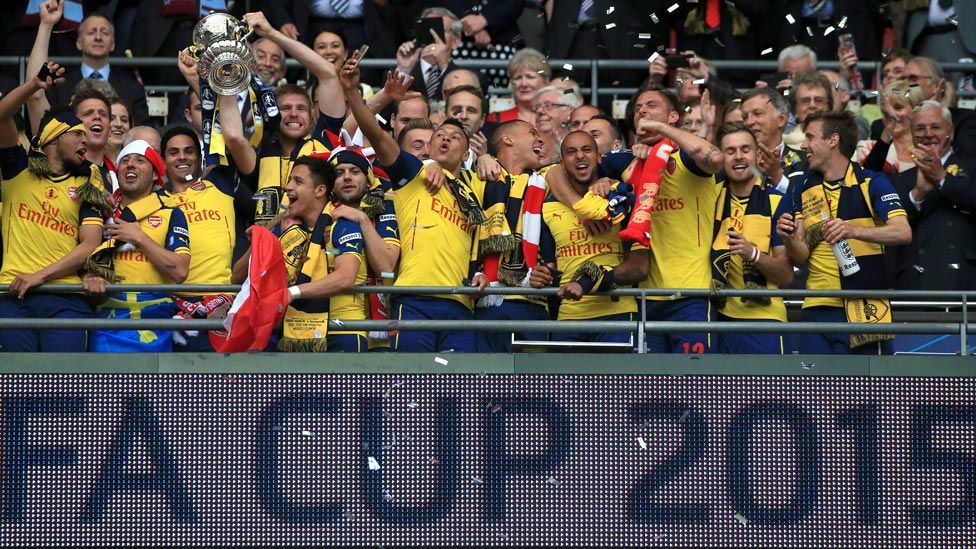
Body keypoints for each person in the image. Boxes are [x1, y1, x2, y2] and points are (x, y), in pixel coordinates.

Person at [548, 86, 725, 354]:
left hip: (689, 296)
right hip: (642, 297)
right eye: (639, 107)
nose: (642, 110)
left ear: (673, 117)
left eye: (652, 105)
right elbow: (555, 174)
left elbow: (714, 157)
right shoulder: (625, 162)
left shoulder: (688, 160)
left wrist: (660, 131)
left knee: (694, 388)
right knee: (649, 390)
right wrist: (582, 207)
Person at [340, 56, 489, 353]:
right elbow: (376, 134)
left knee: (458, 396)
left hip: (460, 302)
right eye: (440, 136)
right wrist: (353, 93)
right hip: (414, 299)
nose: (446, 139)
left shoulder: (478, 187)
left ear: (466, 153)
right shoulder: (414, 173)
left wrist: (486, 272)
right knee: (411, 391)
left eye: (455, 137)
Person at [776, 112, 911, 355]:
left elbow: (903, 232)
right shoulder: (803, 188)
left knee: (865, 392)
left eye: (810, 137)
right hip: (816, 308)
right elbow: (801, 255)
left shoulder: (871, 181)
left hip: (863, 307)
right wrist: (788, 239)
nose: (804, 145)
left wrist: (853, 230)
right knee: (815, 393)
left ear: (833, 140)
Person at [0, 68, 106, 352]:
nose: (86, 140)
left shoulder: (88, 180)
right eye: (78, 134)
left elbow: (90, 244)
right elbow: (2, 115)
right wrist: (33, 85)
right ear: (54, 137)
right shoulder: (17, 169)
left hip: (65, 298)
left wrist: (41, 276)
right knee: (16, 390)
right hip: (12, 295)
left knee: (63, 391)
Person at [233, 156, 363, 352]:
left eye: (298, 181)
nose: (288, 187)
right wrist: (262, 238)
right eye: (289, 180)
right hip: (289, 333)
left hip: (341, 330)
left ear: (320, 191)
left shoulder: (341, 225)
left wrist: (292, 293)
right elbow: (237, 276)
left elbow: (345, 278)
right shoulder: (285, 228)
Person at [530, 131, 647, 345]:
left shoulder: (620, 198)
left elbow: (639, 268)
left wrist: (590, 281)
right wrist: (539, 276)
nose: (580, 156)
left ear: (599, 157)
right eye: (571, 152)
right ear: (562, 164)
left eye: (587, 150)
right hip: (568, 319)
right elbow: (549, 267)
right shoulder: (547, 208)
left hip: (618, 315)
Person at [83, 139, 191, 352]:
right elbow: (81, 252)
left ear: (154, 174)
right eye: (124, 161)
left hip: (153, 323)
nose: (130, 165)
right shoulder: (101, 212)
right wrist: (89, 276)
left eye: (140, 161)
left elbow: (180, 271)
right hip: (106, 322)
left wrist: (140, 238)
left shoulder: (171, 214)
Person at [239, 11, 346, 196]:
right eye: (285, 108)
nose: (294, 113)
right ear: (272, 114)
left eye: (301, 108)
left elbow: (328, 73)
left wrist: (271, 33)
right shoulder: (261, 149)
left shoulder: (323, 140)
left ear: (313, 117)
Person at [711, 123, 794, 354]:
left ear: (758, 155)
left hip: (765, 319)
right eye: (730, 151)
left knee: (768, 392)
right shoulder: (710, 199)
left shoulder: (778, 201)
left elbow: (786, 276)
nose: (739, 157)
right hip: (717, 317)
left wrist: (754, 254)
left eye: (746, 149)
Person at [159, 122, 239, 353]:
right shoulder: (154, 202)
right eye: (174, 152)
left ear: (199, 157)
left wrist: (212, 86)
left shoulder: (218, 185)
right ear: (163, 161)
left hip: (222, 302)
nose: (182, 157)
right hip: (177, 308)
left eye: (189, 151)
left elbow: (228, 133)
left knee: (224, 383)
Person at [473, 119, 551, 352]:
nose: (540, 139)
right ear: (508, 139)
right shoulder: (476, 179)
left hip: (532, 298)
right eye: (531, 133)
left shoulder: (548, 180)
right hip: (486, 297)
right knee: (487, 382)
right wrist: (482, 158)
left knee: (534, 385)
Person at [888, 101, 976, 291]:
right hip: (914, 285)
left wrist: (942, 178)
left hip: (964, 281)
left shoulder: (972, 169)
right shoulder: (899, 180)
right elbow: (891, 224)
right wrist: (918, 194)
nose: (928, 134)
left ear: (950, 132)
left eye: (935, 127)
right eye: (920, 128)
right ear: (912, 135)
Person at [326, 148, 402, 352]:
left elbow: (386, 267)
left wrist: (361, 218)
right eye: (339, 173)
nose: (347, 177)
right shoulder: (322, 214)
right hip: (335, 323)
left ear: (369, 180)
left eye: (354, 171)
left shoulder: (385, 208)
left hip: (381, 327)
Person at [39, 6, 150, 126]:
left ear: (113, 44)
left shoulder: (133, 89)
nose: (98, 37)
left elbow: (142, 132)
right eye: (91, 32)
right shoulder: (60, 85)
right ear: (79, 42)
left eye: (105, 32)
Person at [902, 56, 976, 157]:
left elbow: (967, 164)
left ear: (937, 86)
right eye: (902, 79)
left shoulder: (965, 120)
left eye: (913, 78)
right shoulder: (892, 123)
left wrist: (931, 110)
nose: (905, 84)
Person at [740, 87, 807, 196]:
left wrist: (777, 177)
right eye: (744, 117)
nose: (749, 122)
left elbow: (806, 204)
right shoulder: (737, 161)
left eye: (757, 113)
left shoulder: (805, 161)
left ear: (781, 119)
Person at [855, 80, 927, 176]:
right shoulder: (867, 149)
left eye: (898, 107)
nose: (891, 114)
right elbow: (866, 181)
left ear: (916, 109)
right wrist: (888, 132)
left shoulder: (930, 147)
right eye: (886, 110)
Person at [397, 8, 463, 103]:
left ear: (456, 41)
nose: (433, 34)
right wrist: (404, 70)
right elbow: (387, 111)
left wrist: (445, 67)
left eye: (441, 29)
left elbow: (461, 104)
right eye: (426, 28)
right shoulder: (397, 73)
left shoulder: (469, 77)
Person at [487, 48, 548, 125]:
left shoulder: (556, 116)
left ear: (545, 81)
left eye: (530, 77)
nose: (524, 84)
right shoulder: (496, 118)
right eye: (518, 78)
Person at [105, 98, 131, 171]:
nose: (119, 124)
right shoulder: (90, 162)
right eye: (111, 118)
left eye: (124, 120)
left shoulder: (134, 164)